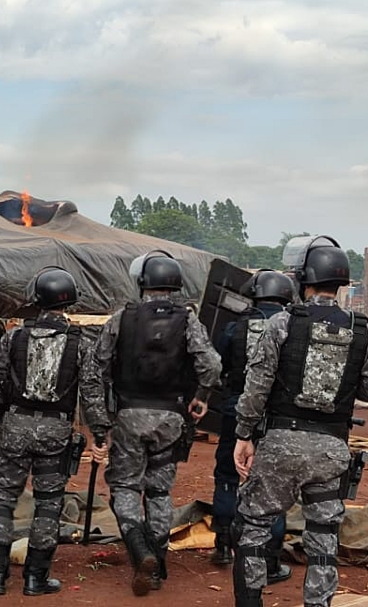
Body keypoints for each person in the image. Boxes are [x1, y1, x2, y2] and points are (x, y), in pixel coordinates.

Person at [232, 236, 368, 607]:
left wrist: (244, 433)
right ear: (342, 284)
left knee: (253, 527)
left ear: (303, 279)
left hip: (279, 447)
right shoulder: (364, 332)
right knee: (322, 538)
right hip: (332, 450)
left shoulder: (283, 324)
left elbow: (257, 386)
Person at [82, 250, 221, 596]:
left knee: (126, 487)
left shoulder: (121, 319)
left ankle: (139, 550)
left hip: (129, 416)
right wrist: (201, 397)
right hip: (172, 418)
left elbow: (94, 371)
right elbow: (212, 366)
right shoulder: (189, 320)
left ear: (143, 282)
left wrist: (99, 425)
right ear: (175, 283)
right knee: (159, 490)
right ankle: (157, 562)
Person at [0, 267, 108, 597]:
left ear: (37, 300)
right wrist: (100, 434)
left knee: (3, 499)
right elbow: (92, 392)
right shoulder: (80, 343)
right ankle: (36, 578)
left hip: (15, 426)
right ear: (70, 303)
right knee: (49, 503)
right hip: (56, 431)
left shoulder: (14, 337)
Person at [211, 270, 296, 586]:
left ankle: (222, 543)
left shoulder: (235, 327)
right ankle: (270, 559)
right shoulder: (292, 329)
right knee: (272, 484)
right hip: (276, 418)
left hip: (235, 411)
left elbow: (220, 366)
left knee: (227, 475)